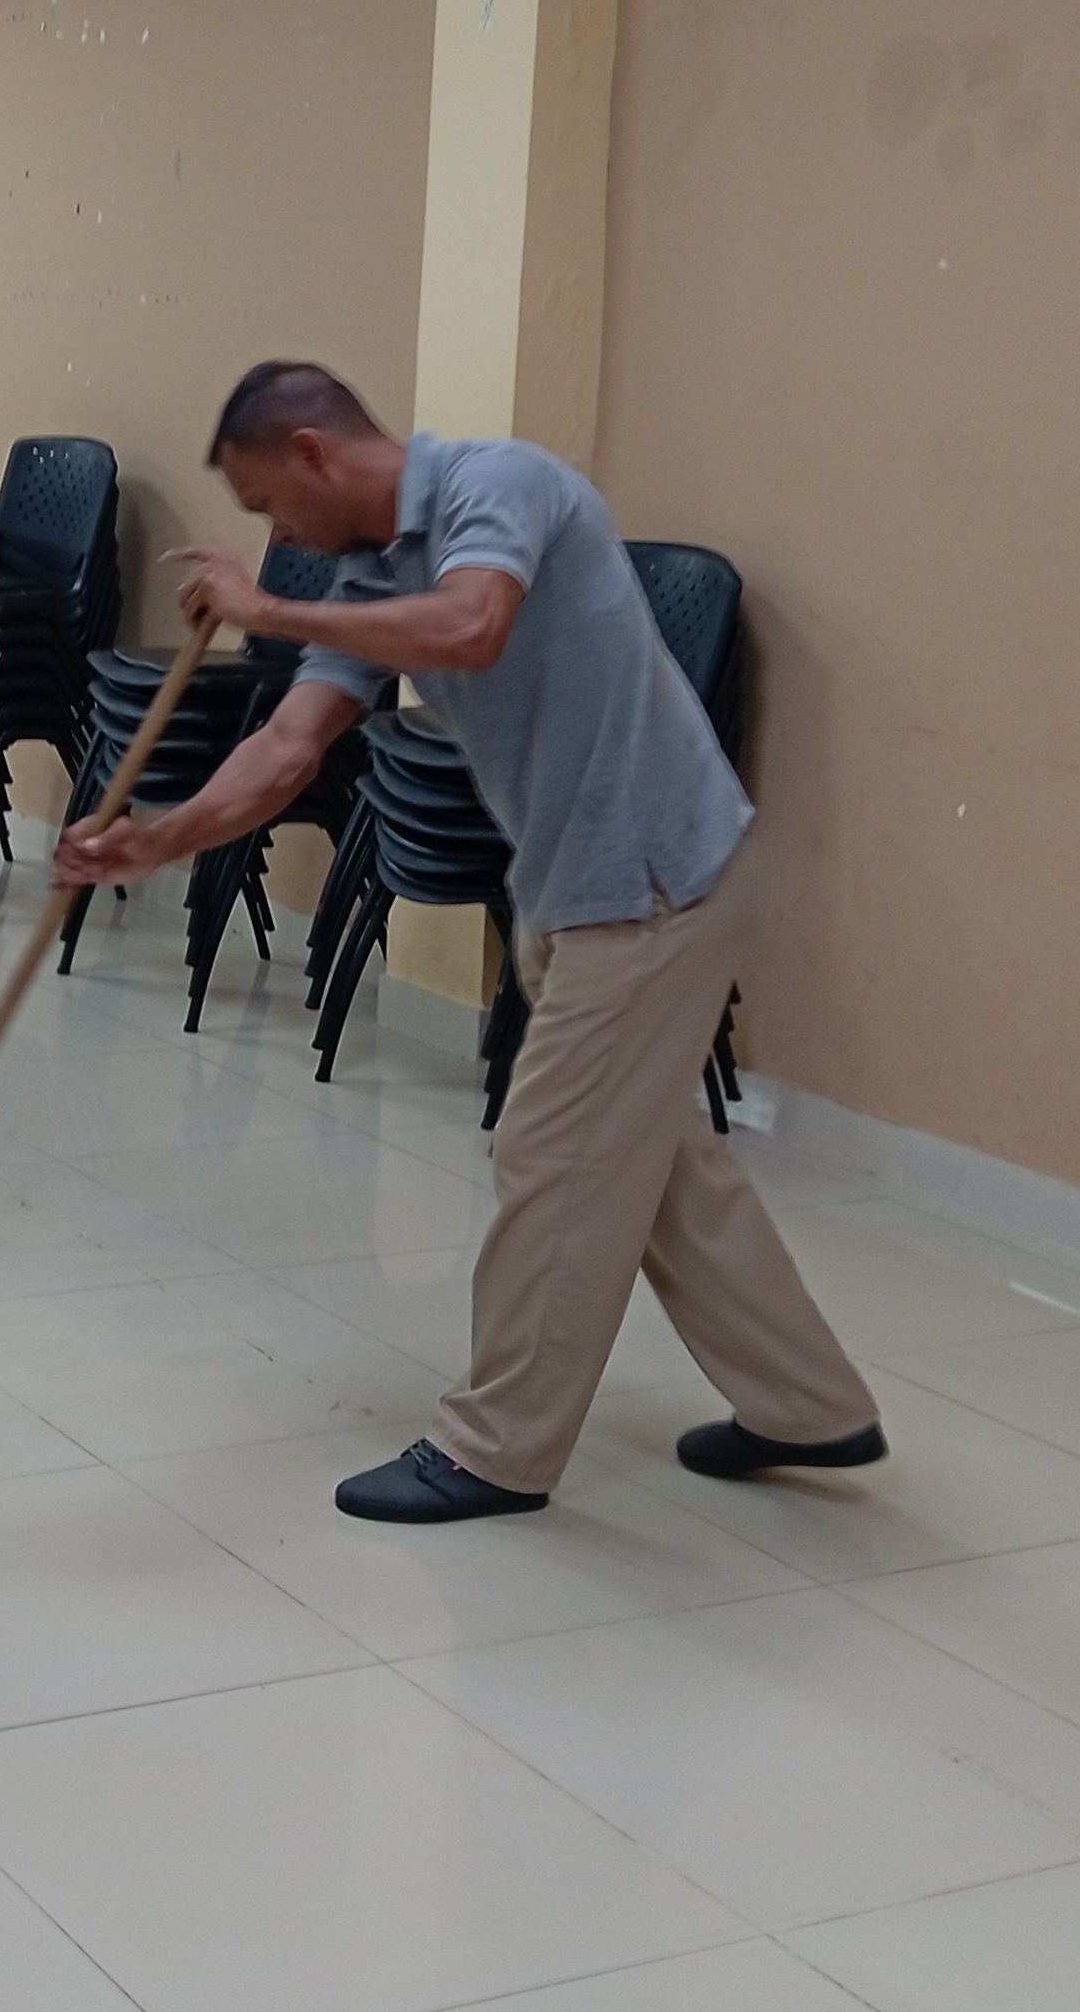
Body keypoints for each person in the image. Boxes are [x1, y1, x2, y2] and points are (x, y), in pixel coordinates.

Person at [54, 361, 886, 1522]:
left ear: (314, 452)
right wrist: (159, 837)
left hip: (651, 882)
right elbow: (288, 748)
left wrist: (271, 610)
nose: (274, 536)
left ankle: (497, 1447)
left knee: (554, 1157)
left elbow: (472, 625)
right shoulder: (369, 577)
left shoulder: (498, 482)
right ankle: (809, 1404)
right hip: (574, 885)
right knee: (658, 1166)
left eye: (268, 504)